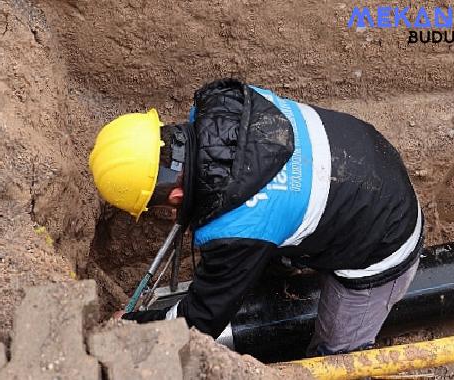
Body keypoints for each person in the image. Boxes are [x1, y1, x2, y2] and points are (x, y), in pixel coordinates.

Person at [89, 78, 423, 356]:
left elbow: (198, 323)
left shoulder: (237, 227)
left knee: (334, 356)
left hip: (384, 241)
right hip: (366, 158)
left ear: (173, 196)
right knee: (271, 240)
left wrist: (134, 325)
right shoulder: (223, 106)